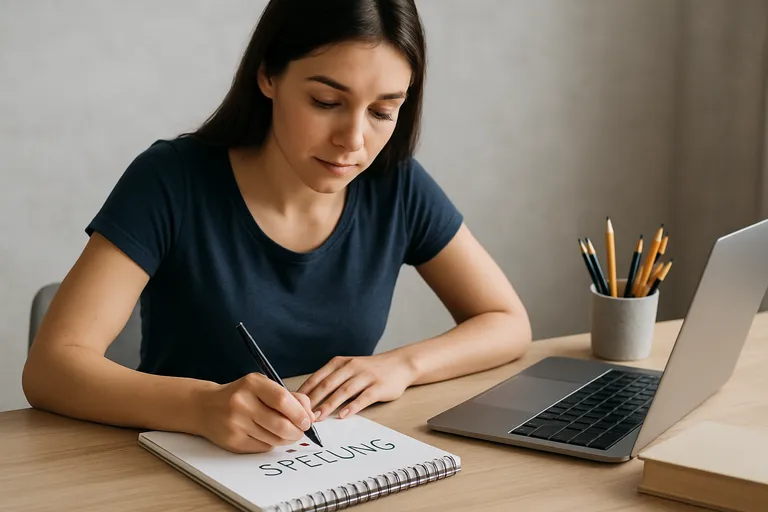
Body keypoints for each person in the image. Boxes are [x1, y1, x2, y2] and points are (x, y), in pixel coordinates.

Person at [22, 0, 532, 454]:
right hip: (173, 470)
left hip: (325, 468)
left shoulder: (395, 185)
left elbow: (506, 321)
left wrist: (402, 366)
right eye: (326, 103)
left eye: (383, 111)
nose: (352, 140)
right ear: (268, 76)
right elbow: (51, 368)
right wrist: (201, 405)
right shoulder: (172, 180)